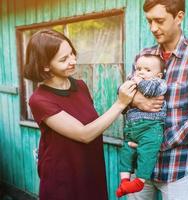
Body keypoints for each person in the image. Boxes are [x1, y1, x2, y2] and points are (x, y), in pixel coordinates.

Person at [24, 29, 136, 200]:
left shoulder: (80, 86)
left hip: (90, 167)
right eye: (64, 59)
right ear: (45, 65)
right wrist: (120, 103)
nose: (73, 61)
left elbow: (93, 122)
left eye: (72, 54)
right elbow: (84, 134)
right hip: (63, 175)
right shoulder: (39, 100)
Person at [127, 0, 188, 199]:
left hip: (177, 168)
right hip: (141, 166)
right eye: (149, 21)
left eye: (159, 21)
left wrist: (159, 142)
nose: (153, 28)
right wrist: (136, 101)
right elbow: (124, 97)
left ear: (179, 17)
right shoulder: (143, 56)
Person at [116, 55, 167, 197]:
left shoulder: (159, 84)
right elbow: (120, 92)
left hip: (150, 128)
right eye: (138, 69)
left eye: (147, 69)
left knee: (146, 153)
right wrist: (126, 85)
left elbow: (150, 91)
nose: (140, 72)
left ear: (159, 75)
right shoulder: (134, 80)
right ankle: (124, 181)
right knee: (126, 153)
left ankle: (139, 181)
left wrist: (137, 81)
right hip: (132, 128)